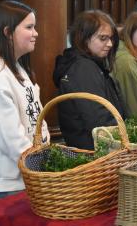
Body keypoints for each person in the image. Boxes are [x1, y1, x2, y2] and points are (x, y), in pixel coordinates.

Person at [0, 0, 50, 201]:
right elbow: (10, 139)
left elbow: (38, 119)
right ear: (7, 32)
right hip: (8, 181)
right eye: (29, 27)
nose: (36, 33)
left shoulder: (18, 69)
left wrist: (46, 155)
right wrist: (40, 165)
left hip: (29, 174)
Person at [52, 10, 126, 150]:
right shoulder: (83, 68)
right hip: (93, 153)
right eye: (103, 38)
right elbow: (99, 122)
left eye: (111, 38)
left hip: (97, 149)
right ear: (84, 39)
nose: (110, 44)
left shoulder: (88, 64)